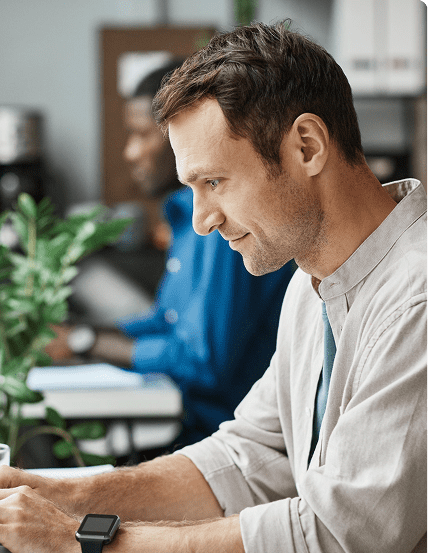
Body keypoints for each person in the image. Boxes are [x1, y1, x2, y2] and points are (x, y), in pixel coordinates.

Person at [0, 22, 426, 553]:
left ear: (307, 147)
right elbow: (247, 458)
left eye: (215, 183)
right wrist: (61, 493)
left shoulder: (415, 299)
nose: (200, 221)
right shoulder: (312, 284)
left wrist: (83, 543)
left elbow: (336, 540)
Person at [48, 62, 294, 452]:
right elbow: (167, 319)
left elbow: (202, 360)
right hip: (191, 426)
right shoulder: (184, 217)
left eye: (142, 134)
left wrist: (85, 341)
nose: (131, 152)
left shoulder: (222, 227)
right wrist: (81, 334)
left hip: (224, 440)